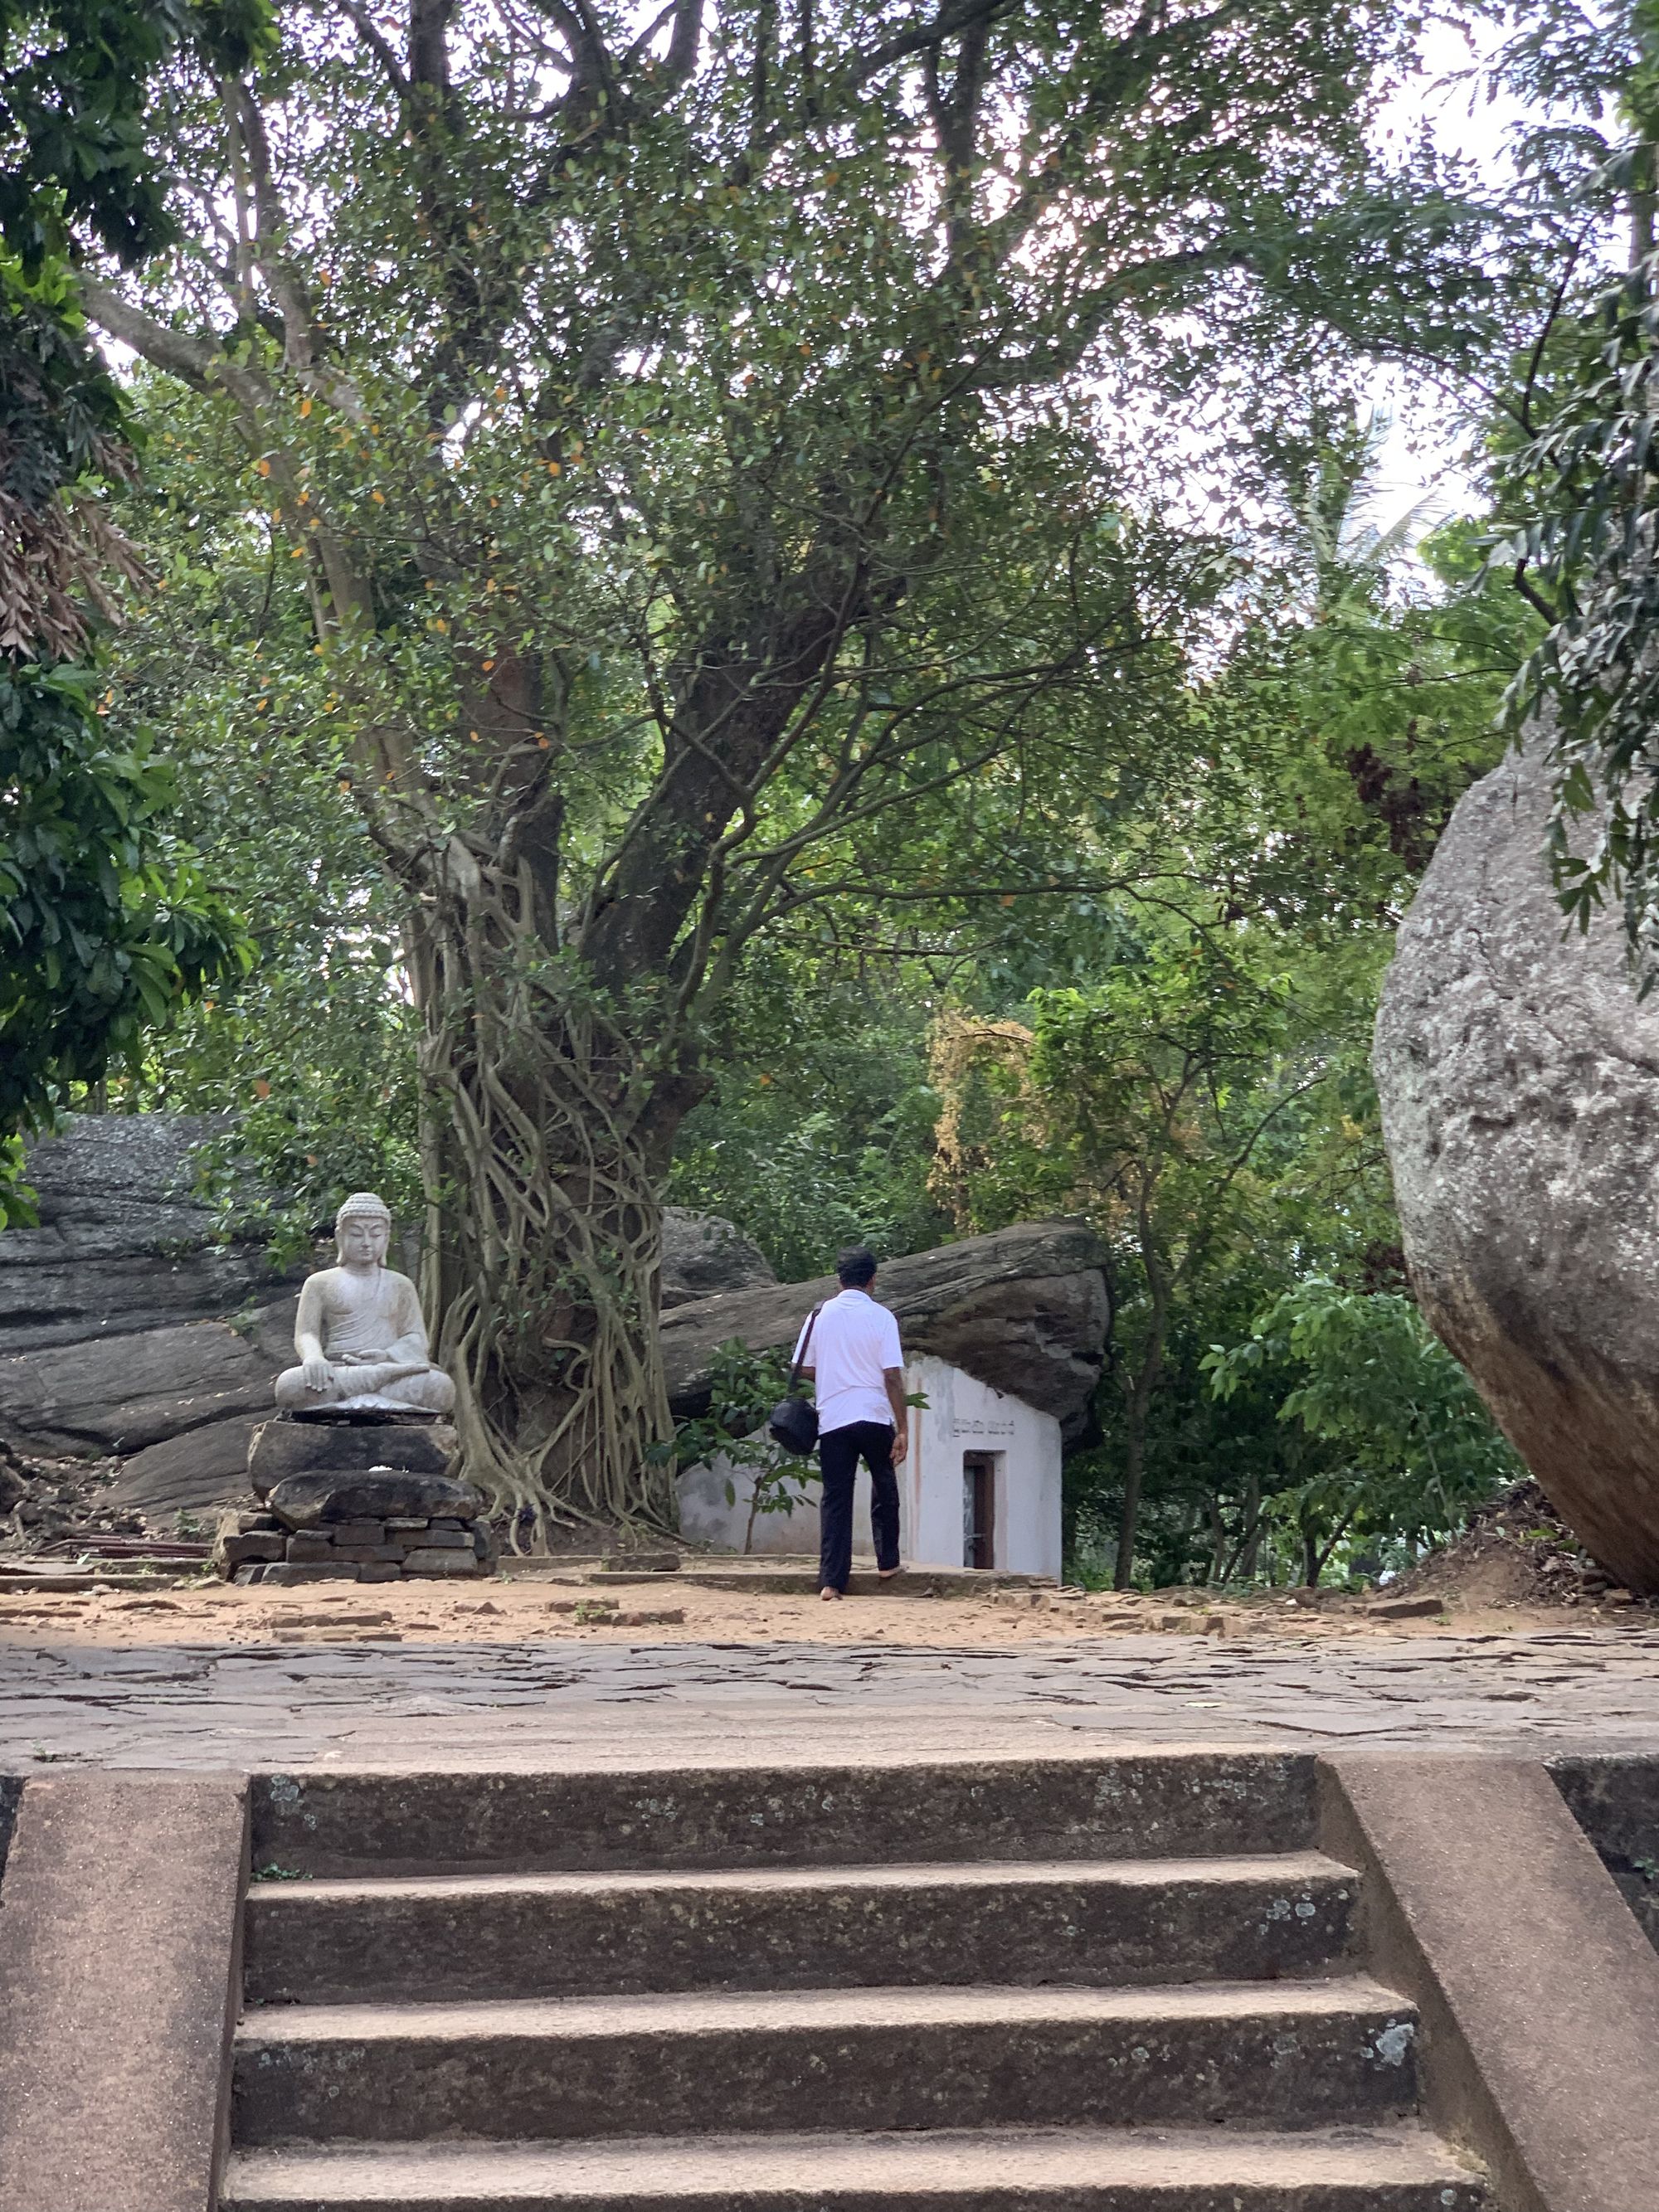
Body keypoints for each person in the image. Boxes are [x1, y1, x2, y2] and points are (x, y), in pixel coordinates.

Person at [792, 1245, 908, 1601]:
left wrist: (834, 1376)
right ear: (873, 1280)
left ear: (839, 1279)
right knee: (885, 1486)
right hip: (874, 1415)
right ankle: (887, 1563)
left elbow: (802, 1367)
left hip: (834, 1418)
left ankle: (831, 1581)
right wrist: (902, 1427)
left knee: (836, 1497)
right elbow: (891, 1375)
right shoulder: (882, 1317)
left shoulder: (818, 1316)